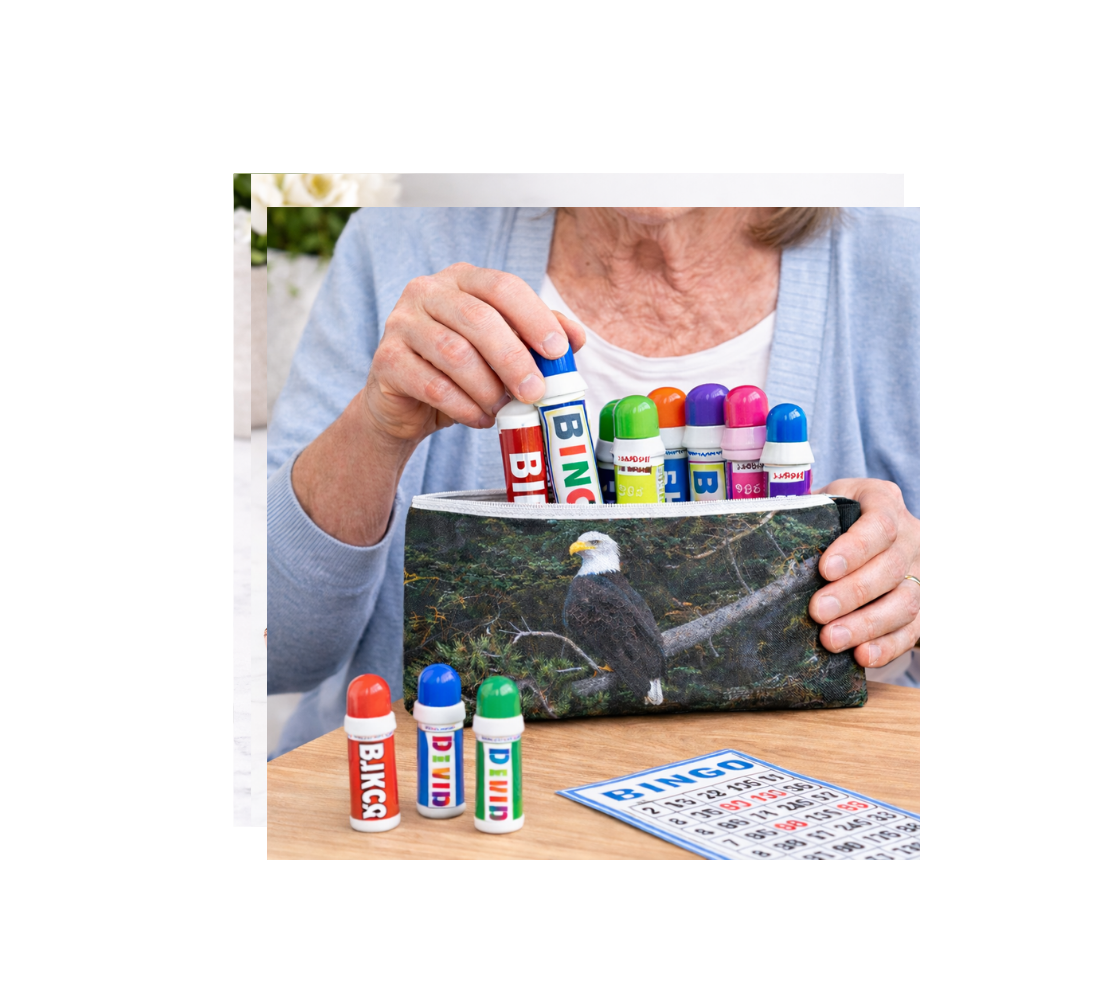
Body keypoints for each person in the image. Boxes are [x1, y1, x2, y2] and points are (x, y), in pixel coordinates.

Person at [268, 207, 920, 756]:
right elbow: (274, 652)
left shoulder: (898, 251)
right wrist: (375, 428)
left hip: (804, 785)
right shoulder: (401, 238)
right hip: (443, 794)